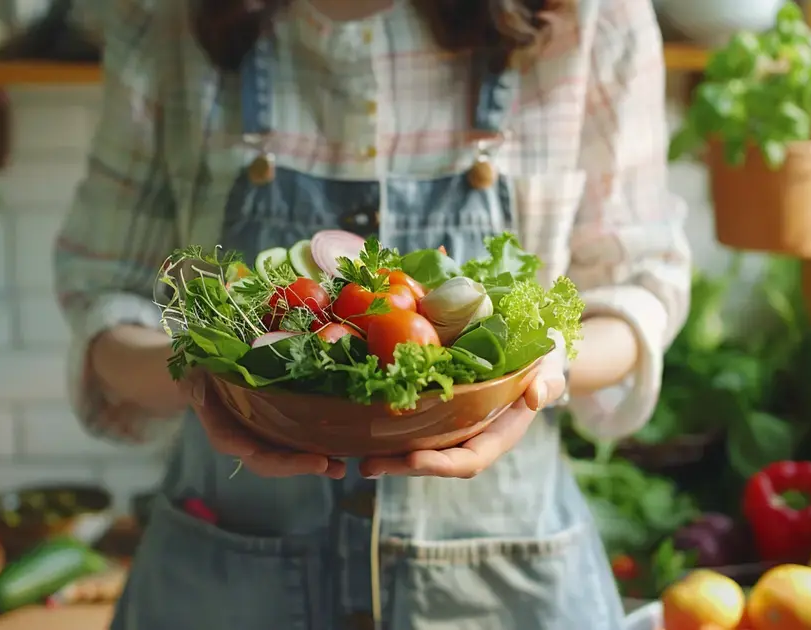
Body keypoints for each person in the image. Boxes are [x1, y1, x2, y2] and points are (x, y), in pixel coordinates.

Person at [54, 0, 690, 627]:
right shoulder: (163, 19)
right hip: (229, 583)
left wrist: (537, 369)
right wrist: (201, 371)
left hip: (496, 588)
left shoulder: (593, 18)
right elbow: (106, 303)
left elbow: (642, 286)